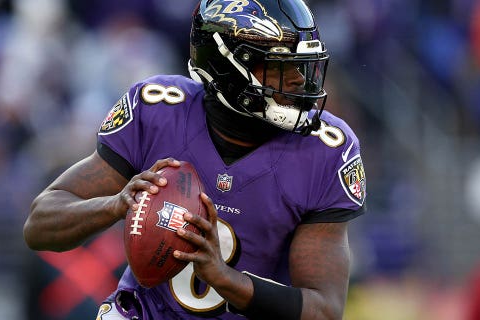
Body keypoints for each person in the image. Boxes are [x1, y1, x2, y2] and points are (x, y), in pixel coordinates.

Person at [23, 0, 367, 319]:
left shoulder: (326, 150)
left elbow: (324, 309)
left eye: (303, 67)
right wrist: (114, 205)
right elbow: (39, 225)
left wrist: (226, 279)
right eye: (278, 68)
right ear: (226, 69)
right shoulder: (158, 112)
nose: (299, 81)